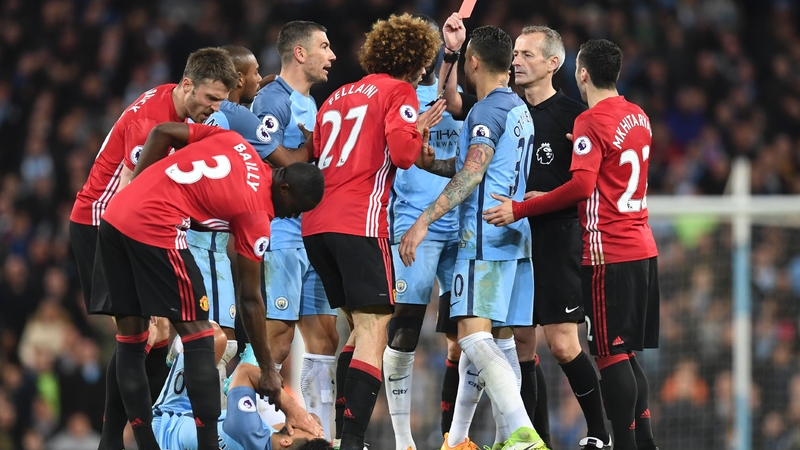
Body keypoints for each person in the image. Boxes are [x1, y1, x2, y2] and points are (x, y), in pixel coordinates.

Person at [438, 17, 611, 449]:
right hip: (509, 238)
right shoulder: (506, 106)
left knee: (564, 343)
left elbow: (592, 184)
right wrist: (452, 52)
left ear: (553, 63)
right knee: (519, 344)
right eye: (514, 53)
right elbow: (452, 100)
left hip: (555, 235)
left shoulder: (575, 117)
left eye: (527, 54)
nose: (516, 61)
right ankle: (535, 438)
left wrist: (543, 199)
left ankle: (600, 434)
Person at [97, 122, 325, 450]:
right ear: (284, 188)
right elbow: (250, 298)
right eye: (295, 209)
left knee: (132, 340)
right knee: (201, 340)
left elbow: (162, 132)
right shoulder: (256, 213)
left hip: (116, 215)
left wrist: (135, 188)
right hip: (155, 227)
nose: (291, 217)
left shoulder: (236, 143)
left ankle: (112, 443)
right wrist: (268, 369)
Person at [483, 39, 660, 450]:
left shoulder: (587, 120)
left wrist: (521, 208)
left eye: (527, 54)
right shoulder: (639, 116)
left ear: (579, 72)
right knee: (624, 352)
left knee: (608, 354)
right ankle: (643, 441)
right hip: (641, 244)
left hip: (604, 248)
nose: (517, 61)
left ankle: (617, 441)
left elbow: (581, 186)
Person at [67, 47, 238, 450]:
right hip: (103, 224)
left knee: (154, 336)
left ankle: (123, 440)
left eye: (221, 101)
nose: (214, 108)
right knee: (140, 335)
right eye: (211, 98)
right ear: (188, 85)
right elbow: (130, 191)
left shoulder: (173, 102)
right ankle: (127, 440)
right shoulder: (151, 124)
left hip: (124, 221)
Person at [301, 13, 445, 450]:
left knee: (359, 329)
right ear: (415, 61)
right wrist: (418, 130)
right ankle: (353, 441)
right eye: (424, 63)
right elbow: (402, 155)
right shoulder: (399, 92)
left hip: (315, 226)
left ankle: (345, 436)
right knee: (376, 331)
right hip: (358, 224)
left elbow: (318, 152)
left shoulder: (337, 96)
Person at [398, 25, 545, 450]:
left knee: (472, 336)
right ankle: (494, 438)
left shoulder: (484, 112)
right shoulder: (517, 108)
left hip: (483, 238)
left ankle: (522, 433)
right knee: (499, 341)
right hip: (515, 238)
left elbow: (473, 174)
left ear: (473, 62)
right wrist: (432, 164)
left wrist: (424, 219)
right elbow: (477, 165)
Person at [182, 44, 313, 406]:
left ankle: (199, 416)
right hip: (204, 241)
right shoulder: (237, 116)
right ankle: (190, 418)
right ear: (237, 79)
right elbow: (288, 163)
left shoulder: (210, 113)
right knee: (216, 341)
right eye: (255, 72)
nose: (261, 77)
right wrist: (313, 143)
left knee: (213, 339)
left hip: (193, 232)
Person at [249, 21, 339, 441]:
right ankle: (252, 431)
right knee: (278, 341)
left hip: (313, 233)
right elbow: (263, 154)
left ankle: (322, 436)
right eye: (324, 46)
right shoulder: (273, 98)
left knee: (324, 337)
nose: (332, 55)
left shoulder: (310, 102)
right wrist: (309, 149)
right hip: (281, 233)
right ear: (300, 53)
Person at [382, 13, 463, 450]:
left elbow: (450, 96)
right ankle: (402, 440)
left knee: (466, 337)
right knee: (405, 331)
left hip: (461, 228)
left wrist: (452, 54)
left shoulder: (458, 97)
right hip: (413, 226)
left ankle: (455, 438)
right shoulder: (395, 99)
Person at [153, 323, 330, 450]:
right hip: (204, 426)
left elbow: (245, 371)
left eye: (310, 433)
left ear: (286, 442)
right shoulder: (272, 443)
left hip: (168, 423)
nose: (310, 428)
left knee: (210, 335)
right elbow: (310, 422)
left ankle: (169, 347)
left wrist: (291, 407)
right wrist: (312, 425)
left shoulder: (247, 431)